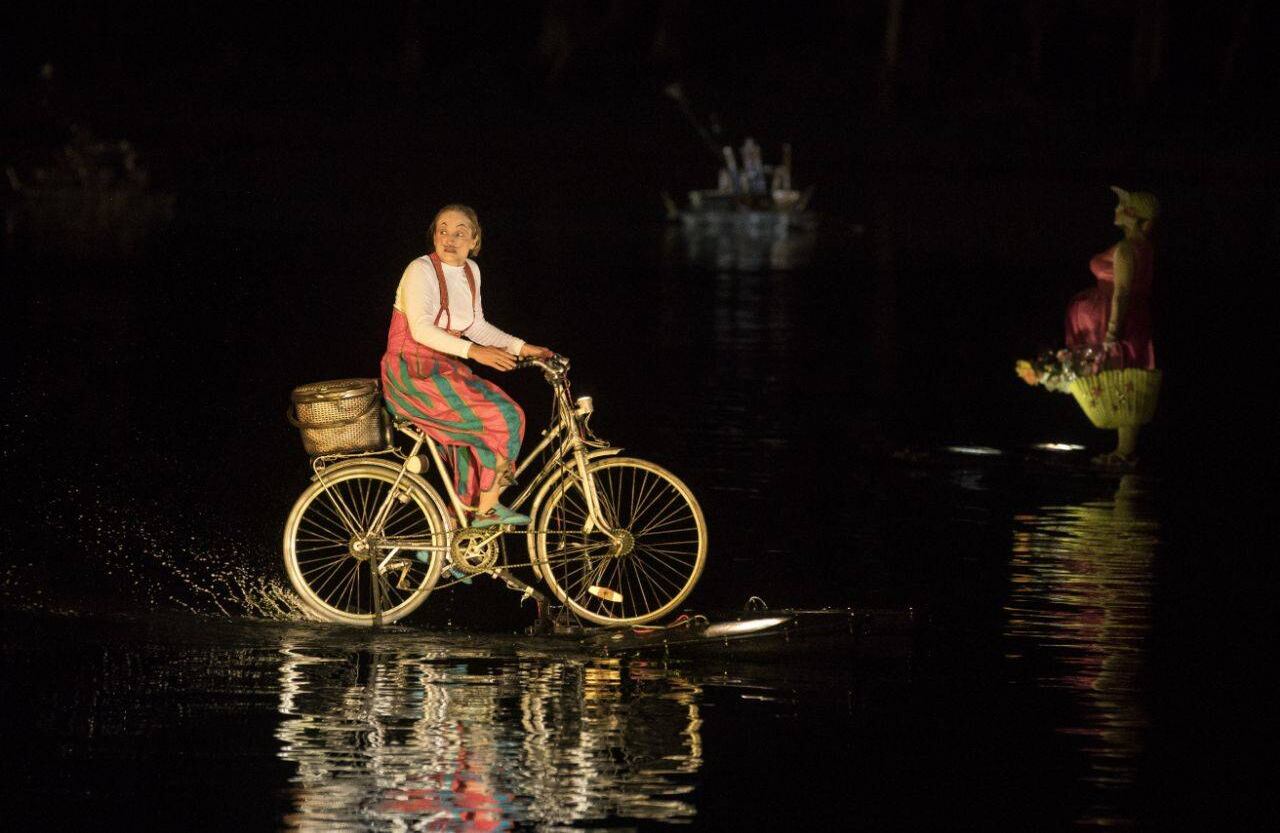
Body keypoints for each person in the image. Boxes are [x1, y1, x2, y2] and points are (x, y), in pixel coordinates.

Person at [380, 204, 554, 527]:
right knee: (501, 417)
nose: (449, 238)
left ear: (474, 240)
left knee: (505, 420)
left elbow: (476, 325)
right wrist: (475, 352)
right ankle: (486, 512)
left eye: (460, 232)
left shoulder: (471, 272)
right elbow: (419, 329)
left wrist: (522, 347)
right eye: (442, 230)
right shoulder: (420, 270)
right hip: (411, 373)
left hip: (446, 371)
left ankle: (459, 542)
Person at [1018, 186, 1161, 468]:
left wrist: (1111, 333)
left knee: (1114, 374)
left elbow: (1121, 293)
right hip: (1134, 318)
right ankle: (1124, 450)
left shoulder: (1127, 249)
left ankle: (1124, 449)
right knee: (1125, 379)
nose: (1116, 209)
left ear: (1132, 215)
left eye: (1122, 205)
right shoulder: (1143, 247)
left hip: (1119, 319)